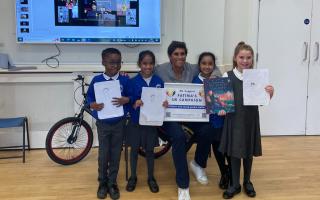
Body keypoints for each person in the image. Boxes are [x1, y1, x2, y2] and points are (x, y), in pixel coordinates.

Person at [154, 41, 221, 200]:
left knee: (208, 129)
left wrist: (215, 76)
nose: (180, 57)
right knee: (178, 137)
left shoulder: (192, 67)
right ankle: (183, 185)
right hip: (169, 116)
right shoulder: (160, 69)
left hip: (189, 114)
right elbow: (145, 72)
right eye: (176, 54)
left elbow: (214, 67)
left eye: (182, 53)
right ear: (170, 56)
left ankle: (198, 164)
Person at [219, 42, 274, 199]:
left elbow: (263, 101)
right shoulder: (227, 76)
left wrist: (270, 93)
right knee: (235, 153)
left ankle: (247, 182)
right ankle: (235, 184)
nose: (245, 60)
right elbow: (221, 101)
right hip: (233, 120)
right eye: (241, 57)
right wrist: (220, 107)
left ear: (252, 59)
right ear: (235, 58)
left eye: (248, 57)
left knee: (248, 152)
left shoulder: (258, 77)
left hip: (250, 120)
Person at [86, 48, 130, 200]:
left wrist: (127, 100)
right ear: (103, 62)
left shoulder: (125, 79)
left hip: (119, 123)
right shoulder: (97, 80)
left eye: (118, 62)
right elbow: (89, 97)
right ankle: (102, 182)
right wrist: (93, 104)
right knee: (104, 153)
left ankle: (112, 182)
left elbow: (131, 96)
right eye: (111, 62)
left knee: (116, 153)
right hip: (103, 123)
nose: (115, 66)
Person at [189, 52, 230, 189]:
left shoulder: (218, 81)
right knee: (210, 131)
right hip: (199, 119)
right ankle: (199, 164)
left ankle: (226, 171)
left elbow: (222, 103)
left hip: (216, 117)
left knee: (219, 130)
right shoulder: (194, 81)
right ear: (199, 65)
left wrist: (223, 108)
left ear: (214, 65)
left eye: (210, 63)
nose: (207, 66)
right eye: (204, 63)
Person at [125, 50, 165, 193]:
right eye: (145, 63)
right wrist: (135, 104)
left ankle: (151, 177)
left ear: (154, 65)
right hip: (136, 122)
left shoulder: (158, 81)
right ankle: (133, 177)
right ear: (139, 64)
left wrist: (165, 104)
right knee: (134, 150)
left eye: (151, 64)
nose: (148, 67)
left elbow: (163, 100)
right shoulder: (132, 81)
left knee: (149, 151)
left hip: (151, 124)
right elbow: (128, 101)